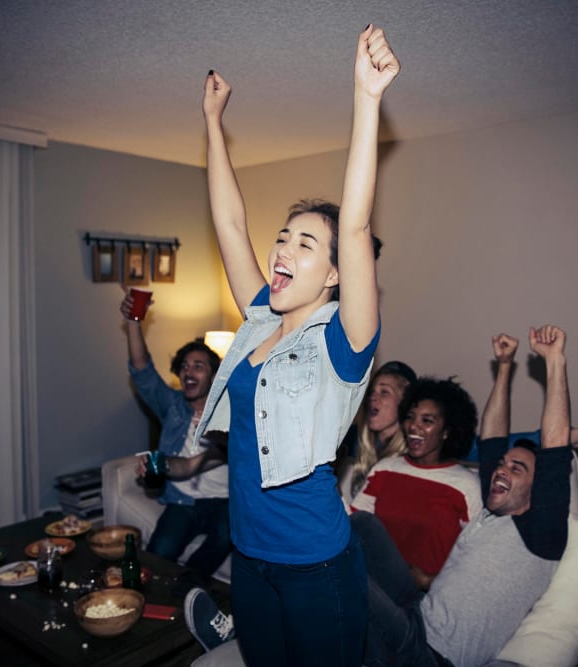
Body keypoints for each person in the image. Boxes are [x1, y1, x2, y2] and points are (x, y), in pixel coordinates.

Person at [183, 25, 400, 667]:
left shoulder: (343, 343)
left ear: (333, 274)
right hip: (249, 556)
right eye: (282, 237)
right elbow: (229, 223)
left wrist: (366, 99)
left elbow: (355, 228)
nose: (282, 248)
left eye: (304, 244)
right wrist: (212, 124)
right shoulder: (258, 319)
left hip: (316, 564)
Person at [353, 324, 573, 666]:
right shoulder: (491, 510)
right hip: (416, 611)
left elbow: (555, 448)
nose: (501, 470)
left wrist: (554, 360)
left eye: (517, 469)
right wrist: (504, 367)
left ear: (538, 489)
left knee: (341, 573)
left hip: (430, 654)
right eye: (502, 464)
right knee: (363, 526)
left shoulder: (541, 534)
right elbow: (492, 438)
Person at [119, 293, 232, 578]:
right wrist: (133, 321)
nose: (188, 372)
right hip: (182, 500)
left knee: (225, 536)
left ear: (214, 376)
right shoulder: (173, 405)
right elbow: (143, 371)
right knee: (158, 554)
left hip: (226, 501)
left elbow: (214, 456)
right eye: (184, 367)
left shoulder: (229, 412)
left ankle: (185, 588)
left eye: (198, 366)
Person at [350, 377, 481, 591]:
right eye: (410, 417)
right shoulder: (385, 469)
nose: (414, 426)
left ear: (447, 431)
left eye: (427, 421)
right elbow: (355, 525)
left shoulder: (466, 486)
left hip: (426, 598)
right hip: (373, 587)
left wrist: (430, 580)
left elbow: (476, 558)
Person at [335, 360, 417, 507]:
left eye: (384, 392)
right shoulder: (352, 443)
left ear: (404, 402)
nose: (373, 397)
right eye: (371, 391)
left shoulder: (413, 456)